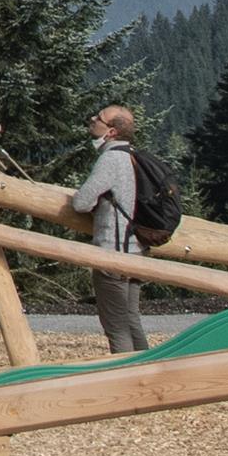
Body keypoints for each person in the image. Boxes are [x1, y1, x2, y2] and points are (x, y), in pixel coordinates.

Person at [70, 104, 151, 355]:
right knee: (131, 319)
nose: (92, 119)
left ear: (112, 132)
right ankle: (148, 372)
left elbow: (82, 202)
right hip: (138, 251)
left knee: (116, 327)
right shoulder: (134, 157)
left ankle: (127, 380)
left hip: (113, 253)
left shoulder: (111, 159)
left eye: (99, 118)